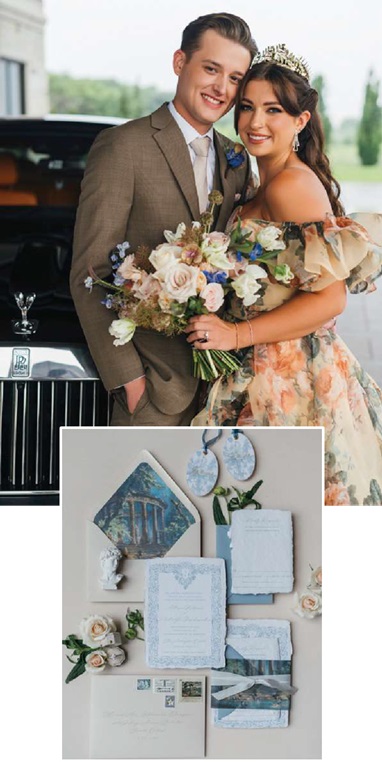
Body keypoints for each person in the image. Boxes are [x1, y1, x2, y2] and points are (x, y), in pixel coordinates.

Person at [188, 45, 382, 506]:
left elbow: (330, 300)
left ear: (301, 120)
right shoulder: (263, 183)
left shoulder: (293, 185)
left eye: (273, 109)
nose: (256, 122)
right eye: (248, 107)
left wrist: (236, 335)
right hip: (261, 368)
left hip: (293, 377)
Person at [70, 12, 257, 425]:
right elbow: (89, 271)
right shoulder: (123, 146)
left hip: (225, 393)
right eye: (211, 69)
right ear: (179, 63)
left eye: (234, 78)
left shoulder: (238, 159)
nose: (221, 88)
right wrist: (130, 382)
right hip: (153, 390)